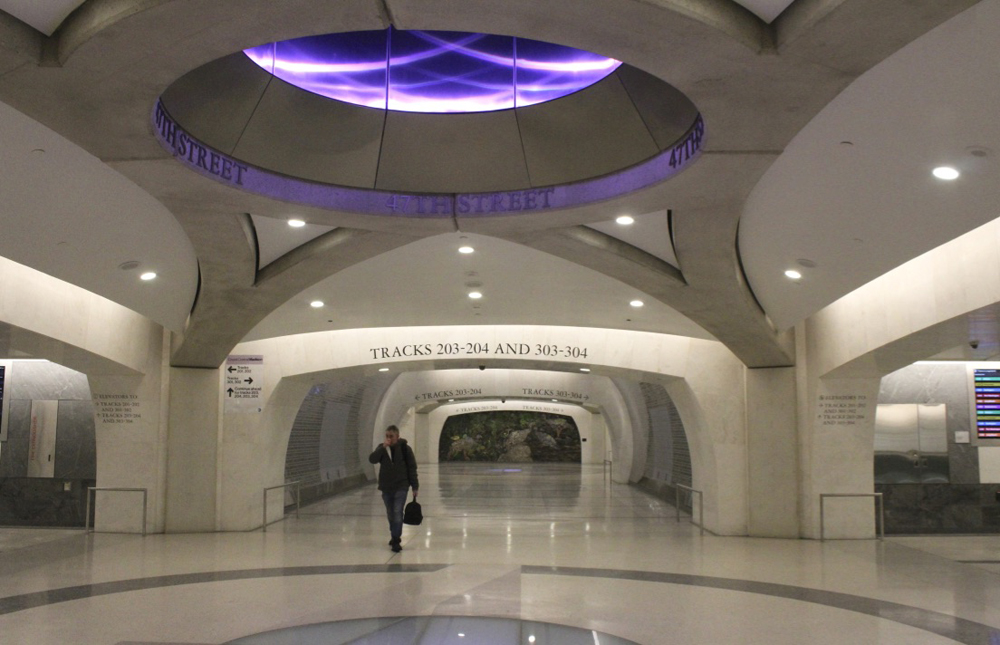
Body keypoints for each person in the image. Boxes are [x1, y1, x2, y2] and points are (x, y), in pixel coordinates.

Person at [368, 425, 418, 552]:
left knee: (397, 511)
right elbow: (372, 459)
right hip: (386, 487)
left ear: (397, 436)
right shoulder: (382, 449)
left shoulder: (405, 449)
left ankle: (396, 539)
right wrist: (382, 448)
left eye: (391, 436)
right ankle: (393, 534)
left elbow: (412, 468)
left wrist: (415, 486)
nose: (389, 439)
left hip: (401, 486)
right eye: (387, 436)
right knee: (390, 513)